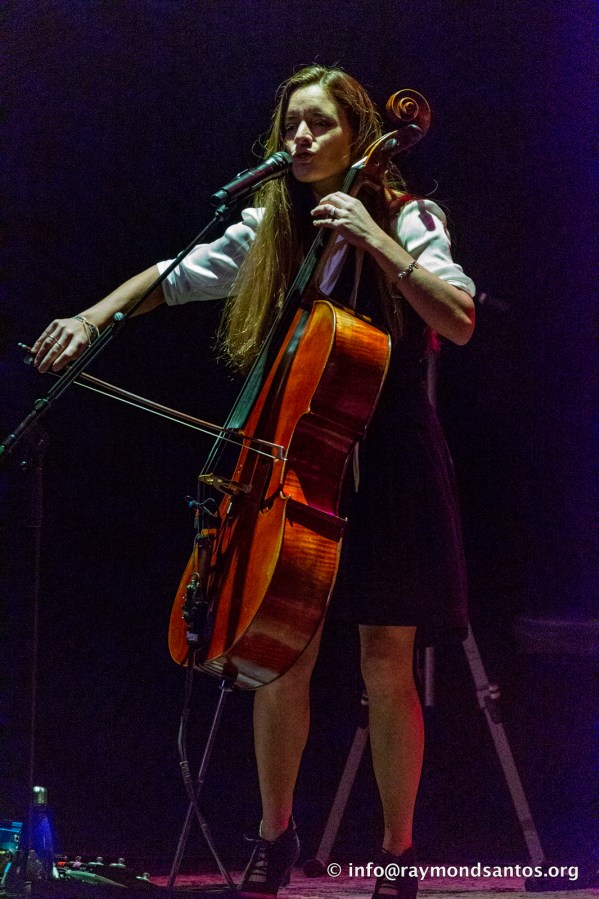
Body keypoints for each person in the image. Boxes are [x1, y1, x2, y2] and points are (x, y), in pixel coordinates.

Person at [32, 66, 475, 899]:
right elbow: (172, 276)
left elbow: (457, 318)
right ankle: (276, 835)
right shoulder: (274, 226)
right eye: (291, 125)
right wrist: (93, 317)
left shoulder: (407, 218)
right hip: (296, 466)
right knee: (280, 654)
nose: (299, 139)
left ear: (357, 135)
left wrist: (375, 240)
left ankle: (399, 852)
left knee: (386, 661)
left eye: (319, 125)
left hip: (390, 462)